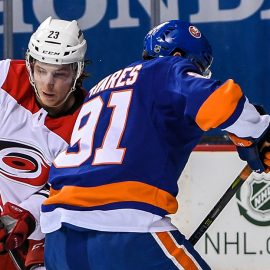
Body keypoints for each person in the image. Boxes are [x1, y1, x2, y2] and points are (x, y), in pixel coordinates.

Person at [41, 20, 270, 270]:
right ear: (180, 56)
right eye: (197, 68)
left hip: (58, 236)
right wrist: (258, 131)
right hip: (124, 228)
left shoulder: (100, 88)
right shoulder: (167, 69)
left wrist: (242, 135)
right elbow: (222, 101)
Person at [0, 16, 88, 270]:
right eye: (41, 70)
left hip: (45, 231)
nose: (47, 83)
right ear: (30, 65)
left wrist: (23, 216)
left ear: (77, 71)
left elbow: (67, 191)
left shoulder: (88, 120)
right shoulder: (6, 79)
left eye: (59, 74)